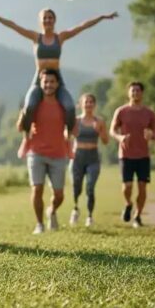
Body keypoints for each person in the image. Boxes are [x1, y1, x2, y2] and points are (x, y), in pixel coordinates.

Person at [0, 9, 117, 134]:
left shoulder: (60, 37)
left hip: (57, 78)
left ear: (54, 20)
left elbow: (82, 26)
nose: (47, 20)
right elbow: (14, 26)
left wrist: (102, 17)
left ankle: (68, 133)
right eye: (45, 18)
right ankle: (28, 131)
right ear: (41, 21)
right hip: (39, 79)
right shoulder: (36, 37)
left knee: (69, 106)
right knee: (30, 105)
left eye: (50, 18)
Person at [19, 70, 70, 234]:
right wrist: (23, 113)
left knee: (59, 195)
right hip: (36, 152)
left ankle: (52, 210)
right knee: (37, 189)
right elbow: (20, 127)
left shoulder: (63, 106)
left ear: (57, 84)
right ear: (40, 84)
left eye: (52, 82)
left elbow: (72, 128)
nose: (48, 85)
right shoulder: (34, 106)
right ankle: (39, 224)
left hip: (58, 154)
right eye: (45, 82)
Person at [110, 82, 155, 228]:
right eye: (133, 91)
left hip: (143, 155)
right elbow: (112, 131)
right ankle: (128, 203)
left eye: (138, 91)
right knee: (127, 186)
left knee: (142, 187)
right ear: (128, 93)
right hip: (125, 154)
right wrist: (120, 138)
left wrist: (151, 135)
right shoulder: (121, 111)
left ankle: (137, 216)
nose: (135, 93)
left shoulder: (149, 113)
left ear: (142, 93)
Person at [69, 93, 109, 227]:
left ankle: (89, 217)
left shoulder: (100, 121)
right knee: (76, 186)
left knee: (90, 187)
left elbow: (105, 141)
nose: (89, 104)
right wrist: (70, 133)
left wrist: (100, 130)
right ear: (81, 104)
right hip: (78, 157)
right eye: (86, 102)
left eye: (91, 102)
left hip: (93, 157)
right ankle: (75, 209)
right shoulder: (75, 121)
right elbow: (66, 136)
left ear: (95, 105)